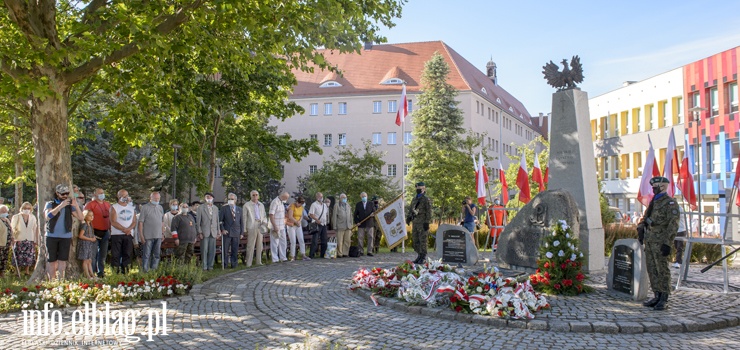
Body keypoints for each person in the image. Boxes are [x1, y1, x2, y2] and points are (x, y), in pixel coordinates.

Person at [637, 176, 679, 311]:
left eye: (654, 187)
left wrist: (667, 243)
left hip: (660, 241)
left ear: (662, 187)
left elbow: (673, 225)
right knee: (652, 268)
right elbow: (646, 217)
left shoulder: (670, 203)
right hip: (649, 241)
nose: (652, 189)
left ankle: (664, 298)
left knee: (662, 269)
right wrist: (641, 227)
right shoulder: (653, 202)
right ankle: (656, 294)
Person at [44, 184, 84, 280]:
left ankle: (61, 280)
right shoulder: (50, 203)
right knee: (51, 260)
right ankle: (51, 281)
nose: (65, 196)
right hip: (51, 235)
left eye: (67, 193)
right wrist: (60, 206)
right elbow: (47, 216)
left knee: (63, 260)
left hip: (65, 236)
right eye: (63, 194)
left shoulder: (69, 206)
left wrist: (76, 206)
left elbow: (81, 218)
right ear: (57, 193)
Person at [85, 188, 111, 278]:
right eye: (99, 193)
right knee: (93, 253)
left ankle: (101, 272)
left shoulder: (107, 204)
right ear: (95, 194)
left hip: (105, 231)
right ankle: (92, 272)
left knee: (103, 254)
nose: (101, 195)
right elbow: (85, 217)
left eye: (103, 193)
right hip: (94, 231)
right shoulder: (90, 205)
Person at [110, 189, 137, 274]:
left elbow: (134, 221)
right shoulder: (114, 207)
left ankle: (126, 271)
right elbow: (113, 222)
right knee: (116, 254)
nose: (126, 197)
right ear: (119, 197)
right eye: (123, 196)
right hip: (117, 234)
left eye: (127, 195)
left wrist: (129, 229)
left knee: (127, 254)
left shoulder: (131, 208)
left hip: (128, 234)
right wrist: (124, 229)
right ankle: (115, 272)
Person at [138, 192, 164, 272]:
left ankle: (154, 271)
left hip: (158, 235)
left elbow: (162, 222)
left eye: (158, 199)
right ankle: (145, 272)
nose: (157, 200)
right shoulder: (145, 208)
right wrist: (141, 235)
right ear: (150, 198)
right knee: (146, 255)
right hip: (148, 236)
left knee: (156, 255)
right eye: (155, 198)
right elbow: (141, 222)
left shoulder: (160, 207)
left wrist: (162, 233)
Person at [11, 202, 39, 275]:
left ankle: (27, 271)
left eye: (28, 208)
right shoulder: (16, 216)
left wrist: (36, 240)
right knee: (19, 256)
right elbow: (13, 228)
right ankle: (18, 272)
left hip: (30, 238)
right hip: (19, 239)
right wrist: (13, 238)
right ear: (22, 208)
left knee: (29, 255)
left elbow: (35, 228)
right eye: (25, 208)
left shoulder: (33, 217)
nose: (27, 210)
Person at [408, 182, 432, 264]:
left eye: (419, 188)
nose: (418, 189)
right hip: (415, 223)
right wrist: (408, 217)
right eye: (417, 188)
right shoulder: (414, 199)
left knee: (423, 241)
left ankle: (423, 256)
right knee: (415, 241)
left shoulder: (426, 199)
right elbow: (411, 209)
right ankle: (419, 255)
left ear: (423, 188)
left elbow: (429, 211)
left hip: (422, 223)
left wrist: (427, 222)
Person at [243, 190, 267, 267]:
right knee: (251, 245)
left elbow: (264, 215)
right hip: (251, 225)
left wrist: (264, 223)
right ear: (251, 196)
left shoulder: (261, 205)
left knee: (260, 245)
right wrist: (244, 229)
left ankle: (258, 261)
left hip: (260, 225)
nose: (255, 196)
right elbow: (244, 218)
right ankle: (248, 263)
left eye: (256, 195)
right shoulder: (247, 205)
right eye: (253, 195)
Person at [196, 192, 220, 270]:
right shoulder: (200, 208)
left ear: (213, 198)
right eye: (207, 197)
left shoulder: (216, 208)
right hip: (204, 232)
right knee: (204, 250)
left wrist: (218, 231)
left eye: (210, 197)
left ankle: (210, 266)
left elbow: (217, 220)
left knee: (212, 250)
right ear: (205, 198)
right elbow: (198, 221)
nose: (209, 198)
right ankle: (204, 266)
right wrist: (199, 232)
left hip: (213, 232)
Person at [219, 192, 243, 268]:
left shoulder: (239, 209)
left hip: (236, 232)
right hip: (227, 232)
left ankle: (234, 265)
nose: (230, 200)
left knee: (235, 250)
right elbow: (220, 221)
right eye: (229, 199)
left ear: (235, 200)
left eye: (232, 199)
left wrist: (241, 233)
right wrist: (222, 229)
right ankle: (225, 264)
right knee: (225, 250)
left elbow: (241, 222)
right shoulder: (224, 209)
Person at [268, 192, 290, 263]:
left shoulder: (281, 203)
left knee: (283, 242)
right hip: (276, 226)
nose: (287, 199)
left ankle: (283, 257)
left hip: (282, 226)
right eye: (286, 198)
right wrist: (274, 226)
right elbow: (271, 215)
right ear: (283, 196)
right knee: (275, 243)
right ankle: (275, 259)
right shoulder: (275, 202)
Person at [287, 196, 309, 261]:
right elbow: (290, 216)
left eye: (301, 204)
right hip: (291, 225)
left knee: (301, 239)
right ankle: (292, 256)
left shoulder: (301, 207)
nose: (300, 205)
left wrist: (299, 221)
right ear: (297, 202)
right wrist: (296, 222)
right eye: (299, 204)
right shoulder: (292, 206)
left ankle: (303, 254)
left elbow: (301, 216)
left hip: (298, 225)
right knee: (293, 241)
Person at [354, 192, 376, 257]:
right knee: (360, 237)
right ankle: (361, 251)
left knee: (370, 237)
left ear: (367, 196)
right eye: (363, 196)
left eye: (365, 196)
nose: (364, 197)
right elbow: (355, 215)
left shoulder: (371, 203)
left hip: (369, 223)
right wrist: (357, 222)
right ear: (361, 197)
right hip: (361, 223)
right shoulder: (358, 204)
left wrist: (373, 214)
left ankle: (369, 251)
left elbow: (374, 212)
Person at [77, 210, 97, 279]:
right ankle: (87, 275)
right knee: (85, 260)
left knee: (89, 260)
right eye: (89, 215)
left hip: (89, 245)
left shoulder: (90, 225)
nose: (92, 217)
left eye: (92, 215)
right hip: (84, 244)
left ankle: (92, 275)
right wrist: (90, 239)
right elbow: (81, 236)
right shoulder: (84, 225)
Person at [308, 192, 329, 259]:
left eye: (322, 196)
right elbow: (311, 214)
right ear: (317, 197)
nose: (321, 198)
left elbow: (326, 214)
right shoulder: (314, 205)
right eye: (320, 197)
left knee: (324, 240)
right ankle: (311, 255)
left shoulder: (324, 205)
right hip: (317, 224)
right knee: (315, 240)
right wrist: (317, 220)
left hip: (324, 224)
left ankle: (323, 254)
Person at [333, 193, 353, 258]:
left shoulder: (348, 205)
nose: (345, 199)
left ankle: (345, 253)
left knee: (347, 240)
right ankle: (340, 253)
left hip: (348, 226)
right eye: (343, 197)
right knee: (340, 241)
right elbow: (334, 216)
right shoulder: (337, 205)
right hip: (340, 226)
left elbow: (350, 216)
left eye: (345, 197)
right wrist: (334, 226)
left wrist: (351, 224)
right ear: (340, 198)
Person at [0, 205, 12, 277]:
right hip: (1, 242)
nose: (4, 212)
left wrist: (12, 237)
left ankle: (2, 273)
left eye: (5, 211)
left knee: (5, 258)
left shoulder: (7, 220)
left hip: (7, 242)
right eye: (2, 211)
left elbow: (10, 230)